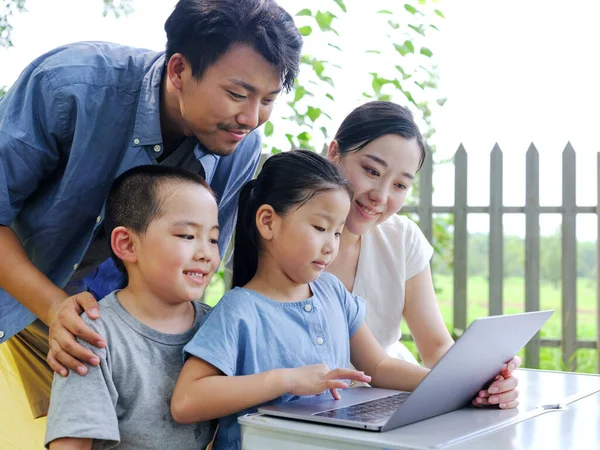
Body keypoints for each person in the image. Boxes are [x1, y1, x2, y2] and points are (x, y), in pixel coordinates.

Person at [0, 0, 302, 418]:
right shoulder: (68, 86)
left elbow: (207, 264)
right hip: (19, 307)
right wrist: (53, 308)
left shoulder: (240, 144)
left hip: (107, 340)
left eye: (268, 100)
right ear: (179, 70)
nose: (250, 118)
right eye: (237, 94)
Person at [170, 150, 516, 450]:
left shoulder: (332, 291)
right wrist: (286, 380)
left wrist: (459, 384)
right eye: (320, 228)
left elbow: (378, 368)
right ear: (267, 222)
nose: (331, 245)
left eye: (337, 232)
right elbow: (186, 402)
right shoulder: (240, 311)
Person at [326, 101, 520, 408]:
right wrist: (456, 383)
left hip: (389, 397)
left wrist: (482, 380)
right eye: (371, 170)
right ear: (334, 153)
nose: (381, 195)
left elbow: (437, 346)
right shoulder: (291, 239)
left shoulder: (401, 238)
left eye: (400, 184)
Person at [44, 165, 220, 449]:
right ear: (127, 244)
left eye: (213, 238)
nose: (206, 253)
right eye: (187, 235)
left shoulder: (218, 327)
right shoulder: (94, 336)